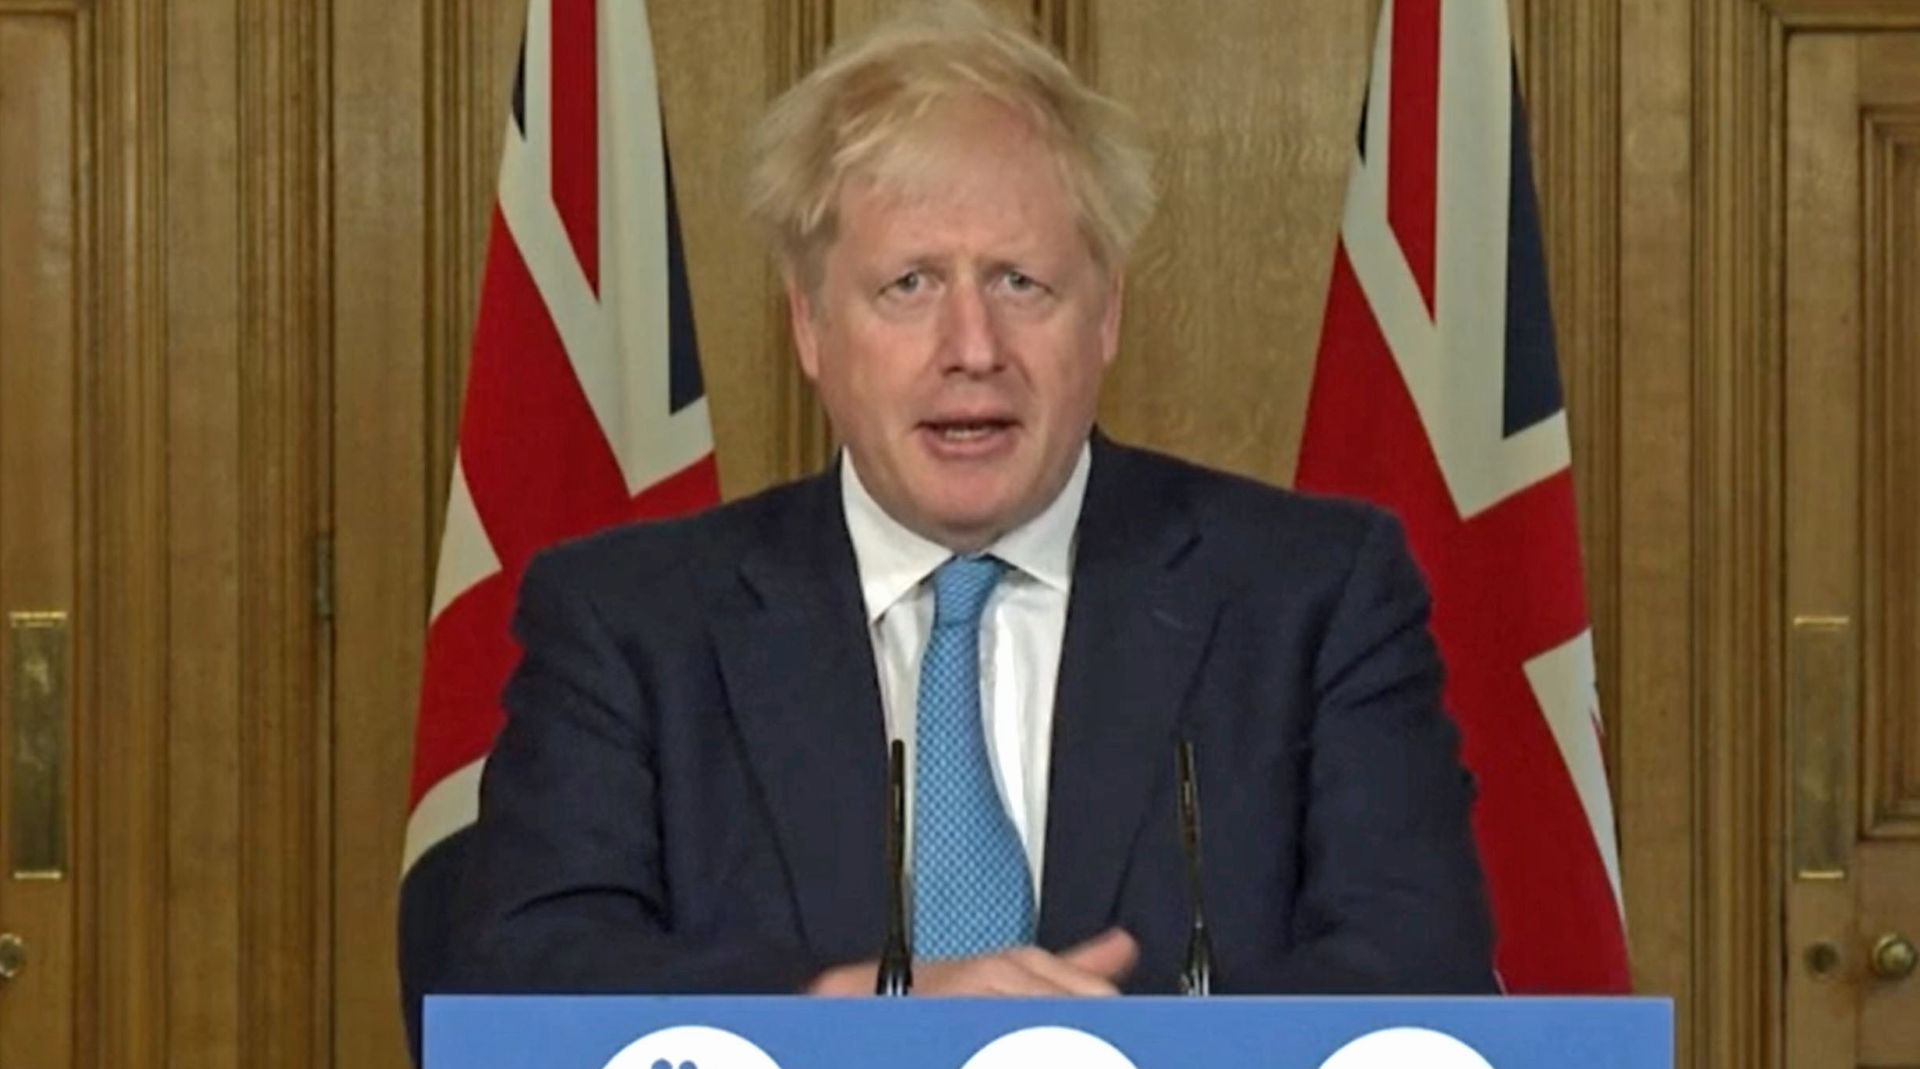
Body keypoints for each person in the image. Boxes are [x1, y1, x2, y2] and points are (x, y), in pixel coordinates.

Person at [443, 0, 1495, 1002]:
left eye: (1019, 283)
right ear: (810, 325)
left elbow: (1419, 974)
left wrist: (1097, 1054)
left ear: (1107, 316)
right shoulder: (630, 621)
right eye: (909, 285)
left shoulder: (1311, 597)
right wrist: (841, 1008)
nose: (973, 350)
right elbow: (523, 973)